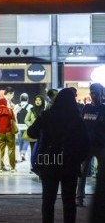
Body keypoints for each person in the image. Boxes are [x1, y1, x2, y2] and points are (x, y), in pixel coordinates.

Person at [27, 88, 89, 223]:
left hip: (49, 160)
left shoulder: (46, 115)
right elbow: (85, 142)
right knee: (69, 201)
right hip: (70, 162)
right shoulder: (76, 118)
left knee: (48, 199)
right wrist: (78, 159)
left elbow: (31, 132)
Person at [76, 83, 105, 208]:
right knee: (82, 173)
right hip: (86, 145)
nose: (94, 95)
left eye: (96, 93)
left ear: (101, 94)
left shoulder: (104, 109)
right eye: (92, 92)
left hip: (101, 145)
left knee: (102, 173)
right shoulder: (86, 108)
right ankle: (80, 197)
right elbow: (81, 125)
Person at [0, 97, 16, 172]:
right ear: (5, 102)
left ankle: (0, 167)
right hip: (9, 132)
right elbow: (14, 120)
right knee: (11, 149)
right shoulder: (9, 110)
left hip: (0, 132)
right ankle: (12, 167)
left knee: (0, 150)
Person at [24, 95, 46, 160]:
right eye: (36, 100)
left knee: (41, 149)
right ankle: (32, 165)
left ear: (42, 101)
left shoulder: (45, 110)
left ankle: (40, 165)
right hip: (33, 132)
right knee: (33, 149)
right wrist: (31, 126)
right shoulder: (32, 110)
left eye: (39, 100)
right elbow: (26, 120)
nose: (37, 101)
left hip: (42, 132)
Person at [14, 93, 33, 162]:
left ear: (20, 99)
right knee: (26, 141)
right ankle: (23, 154)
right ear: (27, 99)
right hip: (26, 126)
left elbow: (14, 116)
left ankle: (22, 154)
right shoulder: (30, 106)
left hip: (18, 126)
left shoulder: (16, 106)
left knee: (20, 141)